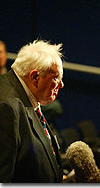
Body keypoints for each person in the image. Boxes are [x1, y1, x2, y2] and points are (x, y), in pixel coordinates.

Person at [0, 40, 64, 182]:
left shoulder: (25, 96)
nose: (61, 84)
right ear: (35, 77)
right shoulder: (6, 107)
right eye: (56, 78)